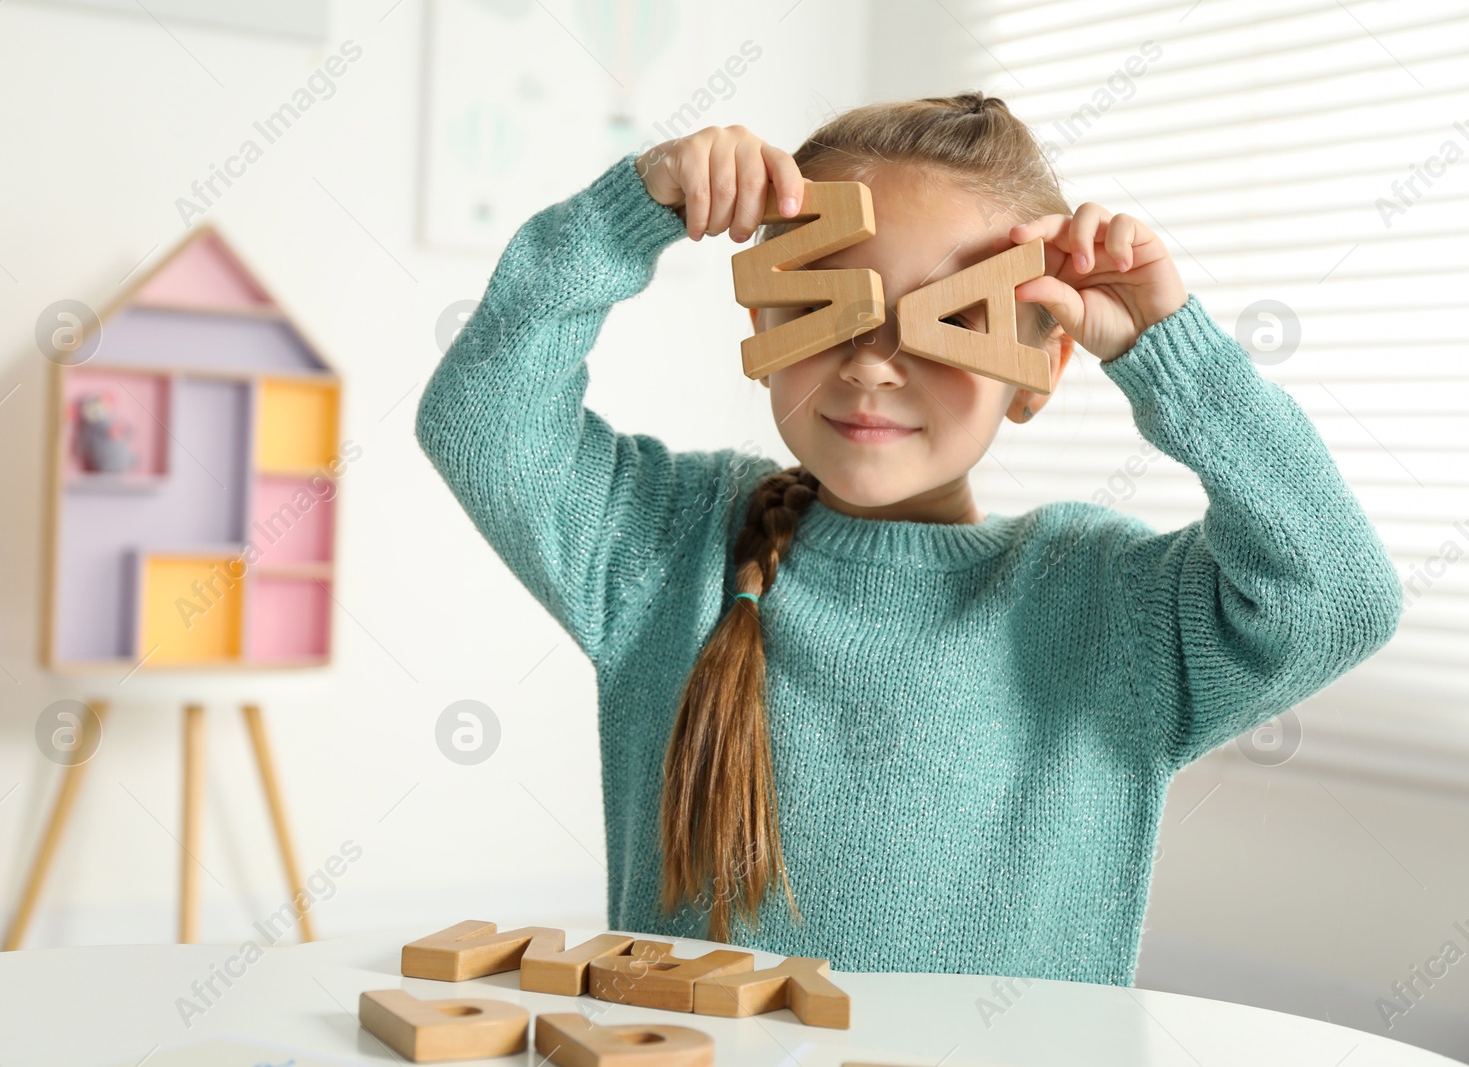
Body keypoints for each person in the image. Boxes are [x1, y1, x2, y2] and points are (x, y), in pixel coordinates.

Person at [414, 96, 1403, 985]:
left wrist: (1168, 351)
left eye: (949, 322)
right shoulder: (669, 544)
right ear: (762, 312)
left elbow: (1337, 595)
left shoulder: (1101, 603)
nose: (873, 367)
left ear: (1039, 366)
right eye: (825, 306)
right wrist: (632, 211)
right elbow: (481, 419)